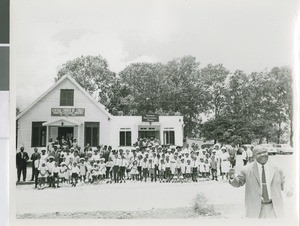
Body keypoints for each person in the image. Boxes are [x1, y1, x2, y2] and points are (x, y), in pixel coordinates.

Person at [228, 146, 292, 218]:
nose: (262, 155)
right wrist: (232, 177)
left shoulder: (277, 168)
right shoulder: (247, 169)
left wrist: (288, 189)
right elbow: (238, 183)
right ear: (254, 156)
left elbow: (284, 182)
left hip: (274, 208)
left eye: (264, 152)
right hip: (255, 208)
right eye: (259, 153)